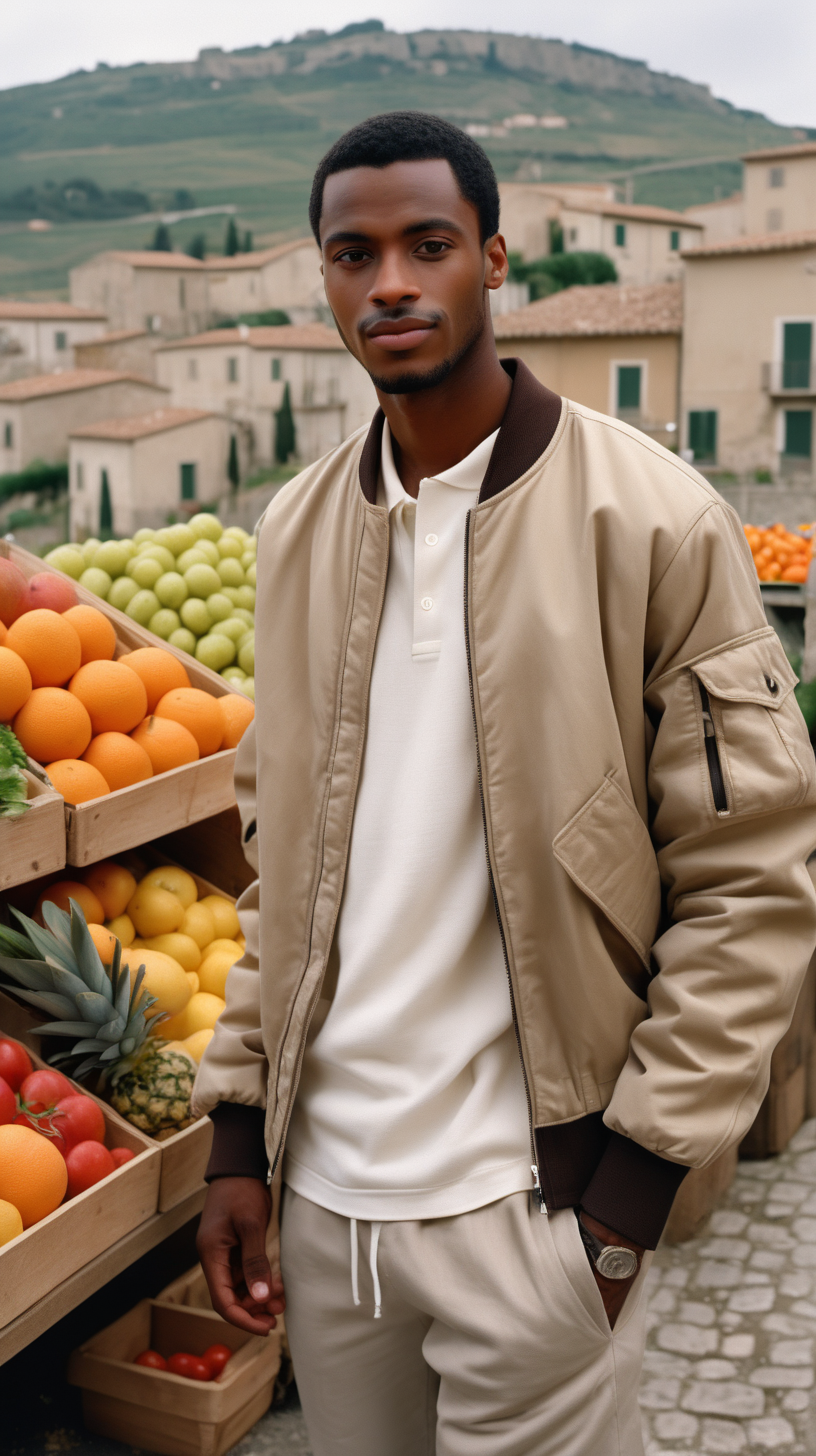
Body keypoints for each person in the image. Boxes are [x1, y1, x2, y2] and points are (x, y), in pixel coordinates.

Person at [193, 112, 816, 1455]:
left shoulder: (652, 518)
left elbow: (752, 871)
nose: (393, 283)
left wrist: (626, 1196)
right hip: (332, 1218)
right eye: (353, 255)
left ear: (496, 260)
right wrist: (239, 1142)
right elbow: (275, 860)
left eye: (429, 245)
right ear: (324, 281)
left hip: (529, 1217)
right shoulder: (297, 531)